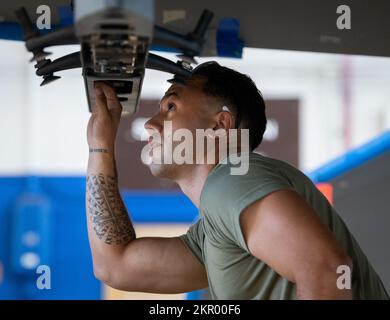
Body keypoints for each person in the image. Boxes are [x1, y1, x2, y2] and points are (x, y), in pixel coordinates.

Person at [85, 61, 389, 299]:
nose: (150, 123)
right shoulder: (216, 229)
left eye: (171, 107)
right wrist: (100, 146)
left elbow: (328, 270)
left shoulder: (231, 181)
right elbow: (115, 265)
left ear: (220, 126)